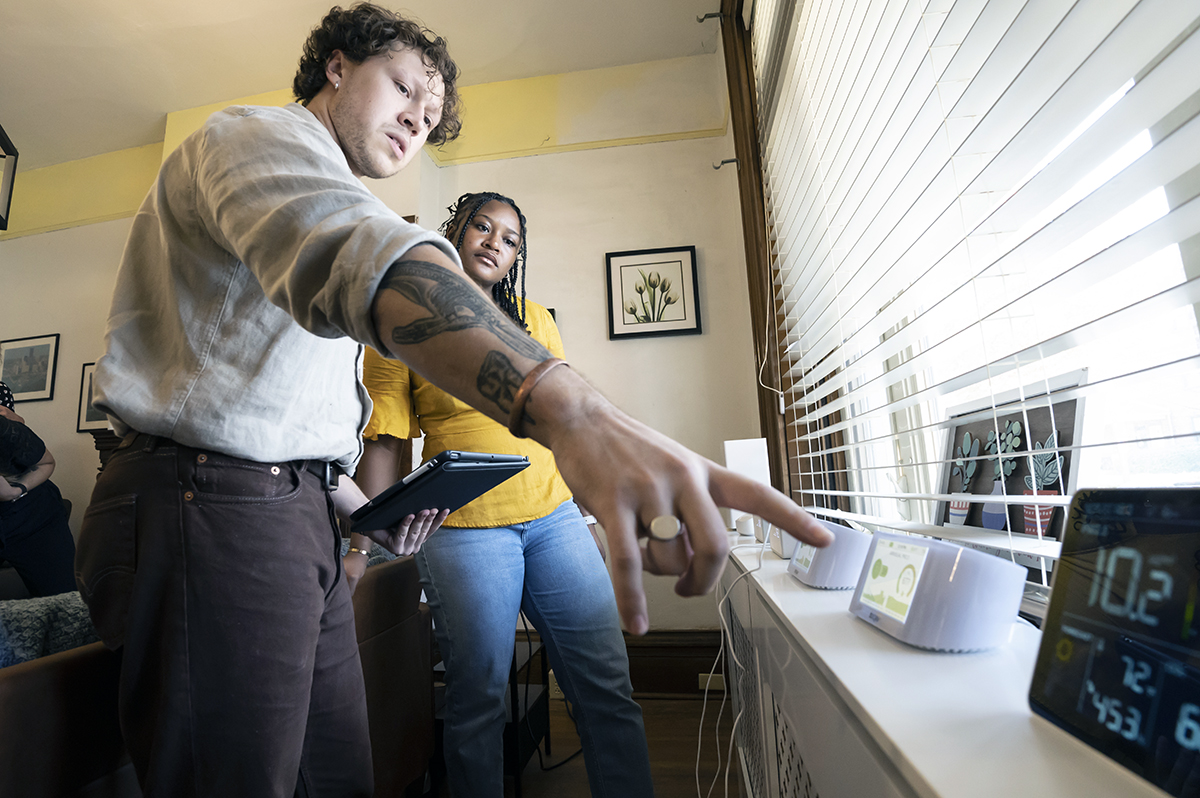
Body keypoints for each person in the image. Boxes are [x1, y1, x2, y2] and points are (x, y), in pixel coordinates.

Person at [76, 3, 833, 796]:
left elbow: (286, 417)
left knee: (338, 777)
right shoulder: (256, 138)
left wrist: (358, 510)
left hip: (298, 512)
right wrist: (575, 412)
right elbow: (360, 257)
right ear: (337, 66)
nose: (416, 121)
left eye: (431, 116)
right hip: (207, 503)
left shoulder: (369, 229)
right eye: (403, 88)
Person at [350, 191, 653, 796]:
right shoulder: (400, 323)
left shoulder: (537, 321)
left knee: (605, 686)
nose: (495, 242)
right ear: (454, 233)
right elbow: (384, 441)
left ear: (516, 257)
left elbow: (570, 426)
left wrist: (591, 514)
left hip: (554, 518)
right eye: (482, 227)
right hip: (461, 531)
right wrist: (364, 544)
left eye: (510, 239)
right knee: (478, 698)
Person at [0, 383, 78, 598]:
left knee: (65, 601)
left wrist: (16, 490)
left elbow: (46, 462)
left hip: (32, 513)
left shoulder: (5, 424)